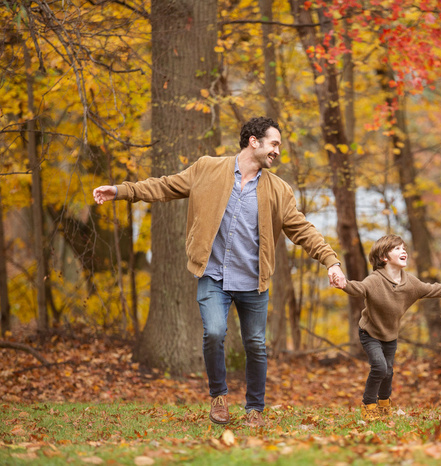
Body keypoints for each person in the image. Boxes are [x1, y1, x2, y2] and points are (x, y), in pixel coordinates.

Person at [93, 116, 347, 426]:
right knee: (214, 332)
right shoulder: (207, 169)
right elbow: (165, 185)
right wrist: (120, 191)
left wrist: (331, 261)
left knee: (255, 344)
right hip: (214, 275)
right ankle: (219, 397)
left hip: (254, 282)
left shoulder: (278, 189)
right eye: (274, 143)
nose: (277, 151)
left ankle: (254, 409)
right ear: (254, 142)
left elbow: (303, 229)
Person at [335, 234, 441, 422]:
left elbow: (433, 289)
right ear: (384, 257)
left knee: (389, 371)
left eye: (404, 248)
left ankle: (384, 405)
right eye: (397, 249)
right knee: (380, 367)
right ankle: (369, 405)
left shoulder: (411, 283)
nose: (404, 251)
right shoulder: (375, 280)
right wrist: (344, 284)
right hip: (370, 333)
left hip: (390, 335)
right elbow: (358, 288)